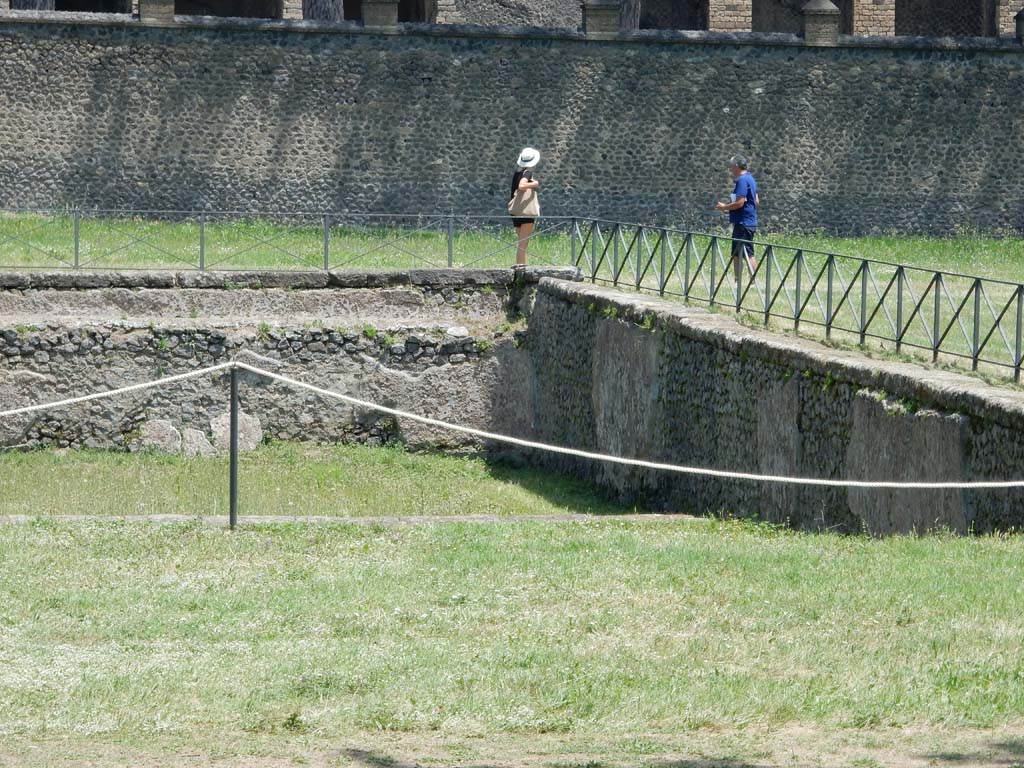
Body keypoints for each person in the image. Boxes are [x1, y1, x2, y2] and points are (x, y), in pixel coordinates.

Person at [715, 154, 759, 284]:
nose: (730, 170)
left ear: (736, 166)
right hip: (747, 221)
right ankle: (738, 280)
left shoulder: (742, 180)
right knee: (737, 253)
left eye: (731, 167)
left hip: (743, 222)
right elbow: (756, 201)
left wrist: (725, 207)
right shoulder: (751, 179)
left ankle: (752, 280)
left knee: (747, 253)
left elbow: (739, 202)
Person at [508, 147, 541, 266]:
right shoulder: (528, 173)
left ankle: (520, 266)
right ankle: (522, 270)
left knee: (521, 243)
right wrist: (535, 183)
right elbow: (522, 186)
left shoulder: (517, 173)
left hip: (515, 212)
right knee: (523, 244)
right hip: (526, 213)